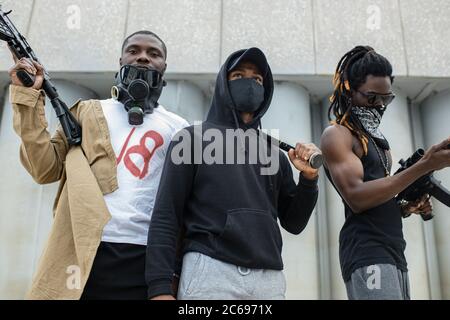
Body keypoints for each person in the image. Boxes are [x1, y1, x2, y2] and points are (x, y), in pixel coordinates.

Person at [8, 30, 188, 299]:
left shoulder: (179, 128)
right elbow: (44, 168)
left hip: (148, 260)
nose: (143, 58)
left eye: (154, 54)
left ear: (165, 66)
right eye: (134, 50)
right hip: (83, 254)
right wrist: (27, 98)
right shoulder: (88, 111)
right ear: (120, 60)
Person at [145, 47, 320, 300]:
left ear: (266, 89)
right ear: (223, 85)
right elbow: (166, 215)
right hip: (210, 271)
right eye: (238, 76)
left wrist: (309, 179)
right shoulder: (191, 140)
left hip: (269, 279)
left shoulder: (276, 153)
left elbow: (294, 223)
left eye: (257, 79)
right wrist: (159, 288)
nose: (249, 83)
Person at [320, 45, 450, 300]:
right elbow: (357, 198)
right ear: (349, 89)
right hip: (367, 252)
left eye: (386, 99)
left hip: (393, 252)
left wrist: (405, 207)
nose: (379, 105)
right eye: (371, 97)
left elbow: (378, 200)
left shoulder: (379, 143)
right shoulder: (337, 135)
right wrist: (424, 165)